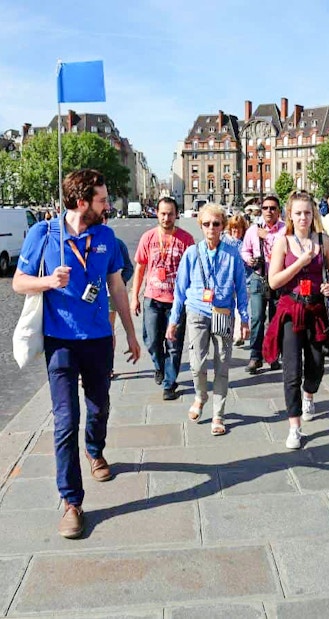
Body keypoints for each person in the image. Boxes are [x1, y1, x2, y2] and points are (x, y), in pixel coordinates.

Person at [12, 169, 141, 539]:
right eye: (101, 199)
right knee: (64, 422)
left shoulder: (107, 236)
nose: (107, 205)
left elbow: (116, 286)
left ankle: (95, 448)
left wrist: (131, 335)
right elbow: (20, 282)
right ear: (81, 202)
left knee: (99, 407)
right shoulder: (44, 233)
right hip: (60, 341)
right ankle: (72, 502)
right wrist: (49, 281)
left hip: (99, 338)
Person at [264, 190, 329, 449]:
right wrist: (301, 263)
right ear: (290, 216)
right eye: (298, 213)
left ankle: (309, 395)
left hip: (316, 309)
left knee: (317, 365)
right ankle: (294, 426)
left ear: (313, 214)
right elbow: (274, 281)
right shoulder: (283, 243)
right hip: (290, 309)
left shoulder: (324, 241)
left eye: (307, 212)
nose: (303, 217)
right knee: (291, 371)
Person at [166, 204, 249, 436]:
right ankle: (201, 396)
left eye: (216, 223)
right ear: (200, 225)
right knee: (197, 363)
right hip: (197, 311)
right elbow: (180, 290)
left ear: (223, 225)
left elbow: (241, 288)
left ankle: (218, 414)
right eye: (206, 224)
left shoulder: (232, 254)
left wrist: (244, 318)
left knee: (222, 366)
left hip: (223, 313)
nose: (211, 228)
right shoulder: (192, 253)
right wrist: (173, 321)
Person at [131, 197, 194, 400]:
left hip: (176, 302)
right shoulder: (148, 238)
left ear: (176, 214)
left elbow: (193, 272)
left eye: (170, 213)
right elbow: (139, 269)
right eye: (163, 213)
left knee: (174, 345)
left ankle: (169, 383)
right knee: (151, 341)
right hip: (152, 298)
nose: (166, 217)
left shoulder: (186, 239)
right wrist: (135, 297)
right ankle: (159, 366)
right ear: (157, 214)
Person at [241, 195, 286, 373]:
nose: (269, 211)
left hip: (278, 279)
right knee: (257, 318)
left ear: (278, 211)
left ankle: (273, 356)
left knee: (276, 320)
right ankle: (255, 356)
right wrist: (249, 259)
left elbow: (286, 247)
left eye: (273, 208)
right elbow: (245, 249)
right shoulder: (253, 229)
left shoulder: (284, 230)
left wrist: (267, 236)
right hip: (258, 277)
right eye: (266, 208)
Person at [103, 210, 134, 378]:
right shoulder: (84, 241)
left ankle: (108, 367)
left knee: (108, 330)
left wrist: (119, 283)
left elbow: (129, 268)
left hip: (109, 295)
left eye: (103, 219)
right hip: (89, 296)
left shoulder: (116, 243)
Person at [223, 213, 251, 346]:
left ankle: (238, 334)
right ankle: (232, 331)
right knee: (229, 307)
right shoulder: (224, 240)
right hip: (227, 280)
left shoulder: (246, 242)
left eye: (239, 228)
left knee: (241, 307)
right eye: (234, 228)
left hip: (244, 280)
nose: (236, 231)